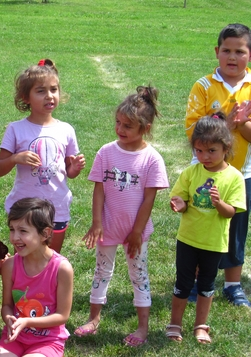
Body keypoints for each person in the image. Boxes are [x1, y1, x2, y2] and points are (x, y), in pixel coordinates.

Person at [74, 86, 169, 347]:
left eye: (128, 125)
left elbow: (149, 198)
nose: (120, 129)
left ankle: (142, 327)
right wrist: (96, 223)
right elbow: (99, 189)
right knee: (101, 272)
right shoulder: (106, 152)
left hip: (135, 232)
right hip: (108, 228)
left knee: (139, 275)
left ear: (145, 128)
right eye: (118, 122)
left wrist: (137, 232)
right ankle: (93, 319)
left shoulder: (151, 159)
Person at [184, 23, 251, 307]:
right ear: (217, 51)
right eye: (226, 50)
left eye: (240, 51)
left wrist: (241, 124)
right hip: (206, 171)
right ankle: (198, 281)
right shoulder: (204, 85)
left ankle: (233, 285)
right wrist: (225, 120)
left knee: (236, 227)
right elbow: (193, 131)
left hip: (242, 174)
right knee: (204, 224)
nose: (232, 57)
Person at [167, 114, 246, 344]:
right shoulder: (191, 173)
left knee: (207, 285)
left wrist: (219, 203)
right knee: (182, 283)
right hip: (188, 239)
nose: (204, 156)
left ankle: (200, 325)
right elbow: (179, 198)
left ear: (226, 147)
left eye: (211, 150)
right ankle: (175, 324)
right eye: (199, 151)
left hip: (214, 242)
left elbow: (232, 212)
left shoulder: (234, 177)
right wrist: (179, 204)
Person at [0, 60, 85, 253]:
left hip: (56, 207)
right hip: (24, 208)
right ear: (26, 97)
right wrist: (15, 158)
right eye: (41, 91)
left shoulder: (66, 130)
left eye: (54, 89)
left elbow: (68, 172)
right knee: (25, 259)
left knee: (51, 259)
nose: (49, 96)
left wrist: (74, 168)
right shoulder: (16, 129)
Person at [0, 198, 73, 357]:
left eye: (23, 231)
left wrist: (27, 321)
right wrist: (8, 318)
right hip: (15, 338)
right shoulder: (10, 266)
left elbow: (62, 316)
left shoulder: (61, 269)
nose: (14, 237)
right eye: (12, 229)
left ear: (45, 233)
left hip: (48, 341)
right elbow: (7, 305)